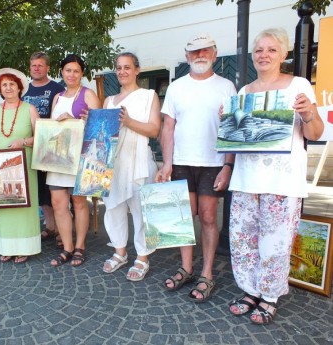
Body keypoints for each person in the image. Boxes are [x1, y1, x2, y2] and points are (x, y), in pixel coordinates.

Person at [227, 28, 323, 325]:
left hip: (281, 182)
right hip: (245, 180)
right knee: (243, 240)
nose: (264, 55)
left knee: (276, 244)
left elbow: (315, 133)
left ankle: (268, 297)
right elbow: (238, 138)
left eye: (271, 49)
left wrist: (308, 114)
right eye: (259, 50)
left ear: (284, 54)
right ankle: (250, 290)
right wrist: (228, 125)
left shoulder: (298, 85)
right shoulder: (244, 93)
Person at [156, 33, 237, 301]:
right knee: (183, 218)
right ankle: (186, 268)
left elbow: (233, 129)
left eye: (205, 50)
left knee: (209, 217)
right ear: (187, 56)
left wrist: (228, 165)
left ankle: (207, 274)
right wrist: (166, 163)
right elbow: (168, 127)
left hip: (212, 162)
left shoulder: (227, 86)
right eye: (194, 51)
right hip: (181, 161)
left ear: (214, 54)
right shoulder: (177, 87)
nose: (199, 55)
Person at [102, 52, 161, 281]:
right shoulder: (109, 101)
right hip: (113, 162)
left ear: (137, 70)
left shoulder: (148, 96)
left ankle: (142, 257)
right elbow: (105, 134)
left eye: (127, 67)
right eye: (118, 68)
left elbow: (154, 130)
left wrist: (128, 122)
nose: (122, 72)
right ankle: (119, 252)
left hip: (138, 160)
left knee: (140, 210)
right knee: (113, 207)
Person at [47, 54, 101, 267]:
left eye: (76, 71)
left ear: (82, 74)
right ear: (62, 72)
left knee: (78, 202)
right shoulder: (57, 97)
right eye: (68, 70)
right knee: (58, 203)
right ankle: (67, 248)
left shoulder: (89, 95)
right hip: (57, 157)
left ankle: (80, 246)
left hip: (80, 157)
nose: (71, 74)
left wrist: (75, 121)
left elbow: (99, 130)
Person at [0, 68, 41, 264]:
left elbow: (41, 137)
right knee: (4, 205)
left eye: (12, 84)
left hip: (24, 166)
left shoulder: (30, 109)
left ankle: (25, 247)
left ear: (19, 87)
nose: (8, 88)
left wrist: (24, 141)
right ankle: (7, 247)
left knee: (23, 207)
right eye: (4, 85)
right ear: (0, 89)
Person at [22, 52, 65, 246]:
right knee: (40, 190)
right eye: (33, 66)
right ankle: (50, 226)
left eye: (40, 65)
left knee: (56, 190)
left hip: (52, 145)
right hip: (31, 147)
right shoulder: (23, 90)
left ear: (48, 68)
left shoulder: (57, 88)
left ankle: (62, 228)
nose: (36, 68)